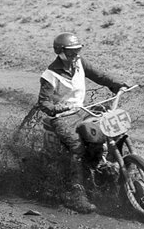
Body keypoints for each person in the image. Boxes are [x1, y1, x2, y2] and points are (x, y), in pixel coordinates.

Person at [39, 32, 129, 213]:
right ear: (60, 51)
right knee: (77, 146)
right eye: (71, 52)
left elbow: (100, 76)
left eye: (77, 50)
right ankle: (76, 193)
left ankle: (114, 170)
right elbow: (44, 102)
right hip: (62, 117)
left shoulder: (80, 63)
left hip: (82, 111)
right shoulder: (49, 75)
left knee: (110, 130)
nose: (75, 55)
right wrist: (56, 108)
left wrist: (117, 85)